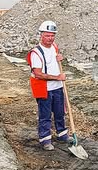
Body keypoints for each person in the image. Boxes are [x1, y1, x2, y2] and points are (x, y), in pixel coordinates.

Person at [27, 20, 70, 151]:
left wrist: (59, 59)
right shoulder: (36, 53)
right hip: (44, 88)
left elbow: (54, 61)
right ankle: (45, 139)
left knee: (59, 112)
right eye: (47, 35)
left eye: (52, 35)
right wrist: (57, 77)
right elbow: (38, 74)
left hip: (57, 87)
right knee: (45, 115)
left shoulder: (54, 47)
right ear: (41, 35)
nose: (50, 38)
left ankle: (62, 134)